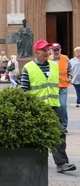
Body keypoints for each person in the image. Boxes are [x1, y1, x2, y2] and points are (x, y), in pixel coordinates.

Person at [20, 39, 76, 173]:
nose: (47, 52)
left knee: (59, 134)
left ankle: (61, 163)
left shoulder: (54, 65)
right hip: (37, 107)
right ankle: (32, 161)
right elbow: (24, 89)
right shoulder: (28, 67)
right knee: (34, 134)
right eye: (44, 50)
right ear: (36, 52)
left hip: (54, 106)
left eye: (48, 50)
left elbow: (58, 84)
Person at [49, 43, 71, 132]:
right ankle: (55, 125)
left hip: (63, 87)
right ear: (51, 51)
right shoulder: (48, 59)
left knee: (62, 105)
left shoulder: (65, 58)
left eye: (57, 49)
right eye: (54, 50)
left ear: (60, 50)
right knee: (54, 106)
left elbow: (70, 69)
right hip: (52, 87)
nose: (56, 51)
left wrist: (70, 77)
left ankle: (64, 126)